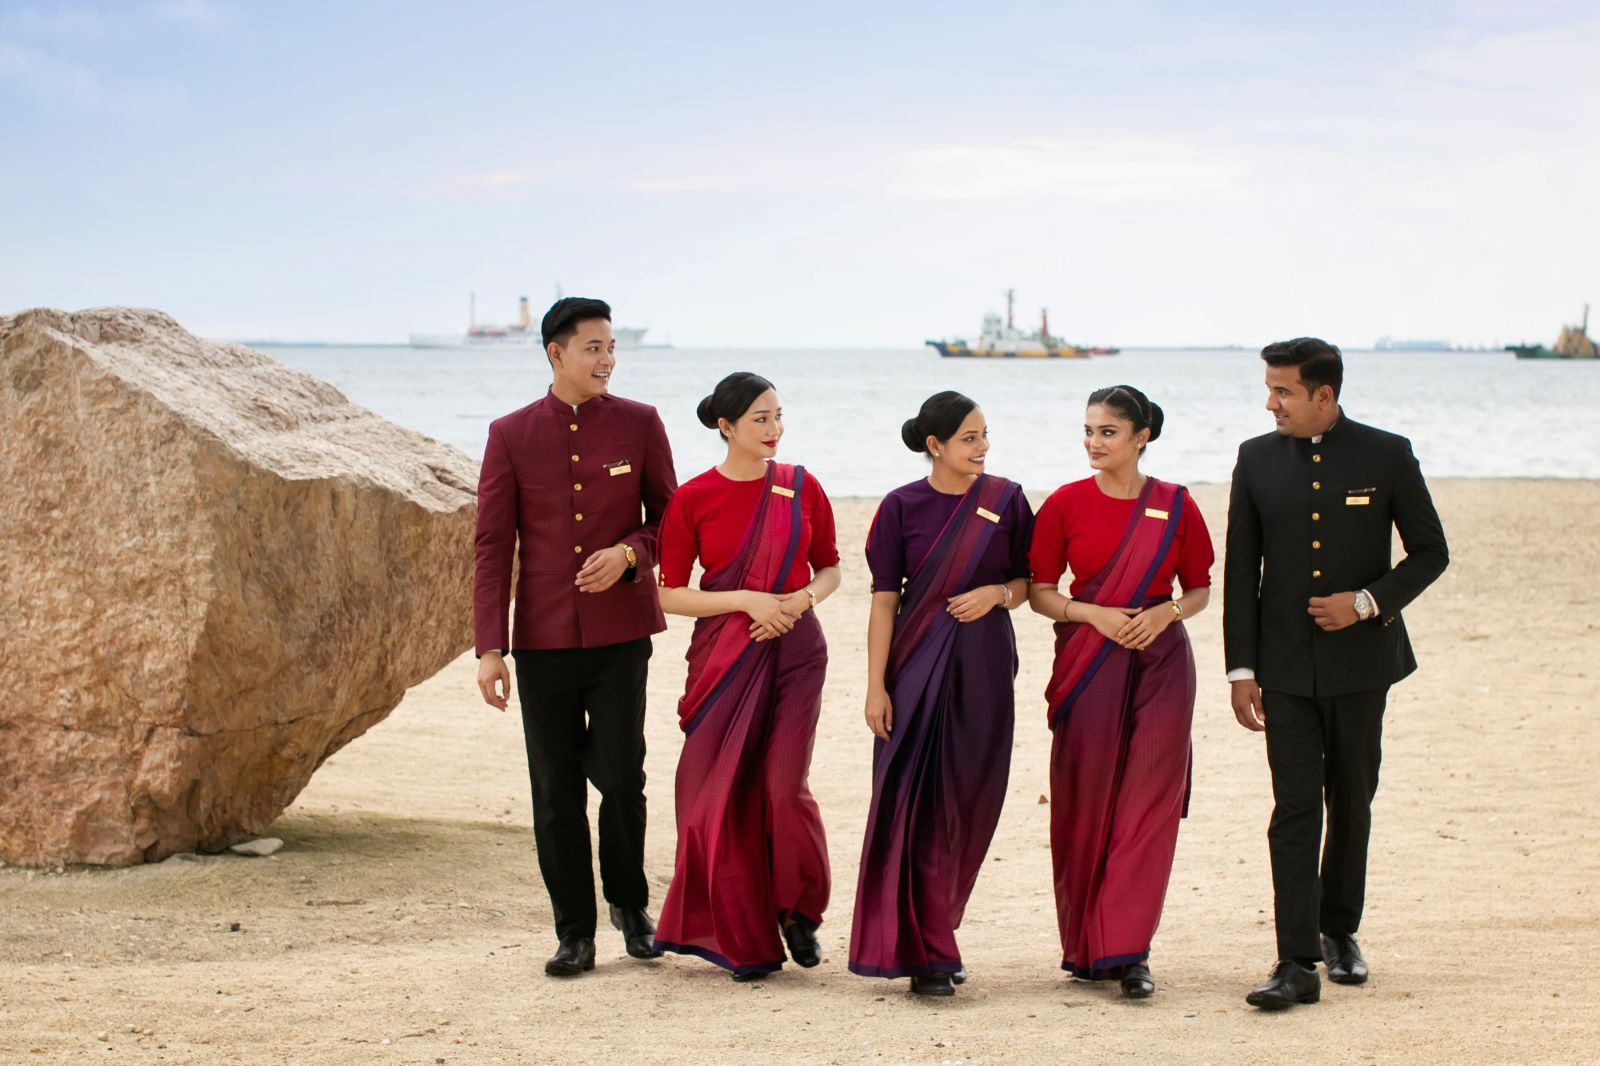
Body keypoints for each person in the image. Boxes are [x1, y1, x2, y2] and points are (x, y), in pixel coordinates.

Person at [1226, 338, 1448, 1010]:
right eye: (1269, 389)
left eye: (1284, 391)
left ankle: (1339, 931)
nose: (1271, 403)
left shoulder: (1386, 453)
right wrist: (1242, 669)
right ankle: (1295, 962)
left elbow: (1430, 551)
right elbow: (1242, 571)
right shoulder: (1256, 458)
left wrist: (1366, 603)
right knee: (1294, 808)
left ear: (1324, 395)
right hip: (1284, 667)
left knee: (1350, 800)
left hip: (1362, 664)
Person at [472, 297, 677, 977]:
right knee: (556, 788)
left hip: (622, 634)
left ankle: (630, 905)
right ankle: (574, 932)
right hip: (542, 641)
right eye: (593, 347)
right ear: (556, 354)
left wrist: (628, 557)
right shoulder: (510, 434)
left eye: (612, 347)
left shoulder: (641, 424)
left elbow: (671, 522)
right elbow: (493, 546)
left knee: (623, 779)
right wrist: (490, 648)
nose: (607, 359)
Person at [650, 372, 842, 981]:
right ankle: (744, 939)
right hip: (725, 660)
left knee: (784, 789)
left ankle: (799, 912)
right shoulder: (694, 498)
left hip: (797, 654)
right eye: (761, 418)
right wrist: (745, 602)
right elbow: (670, 595)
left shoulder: (801, 486)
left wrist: (796, 603)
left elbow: (831, 569)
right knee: (711, 799)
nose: (774, 430)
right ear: (726, 427)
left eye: (778, 416)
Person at [1026, 385, 1213, 1000]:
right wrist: (1091, 614)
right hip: (1088, 663)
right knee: (1085, 802)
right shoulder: (1064, 504)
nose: (1094, 442)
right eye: (1088, 430)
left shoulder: (1177, 504)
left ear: (1142, 437)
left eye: (1108, 431)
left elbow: (1200, 589)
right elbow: (1040, 591)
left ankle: (1130, 951)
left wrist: (1167, 616)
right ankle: (1087, 947)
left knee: (1148, 806)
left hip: (1162, 664)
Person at [848, 392, 1034, 998]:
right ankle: (931, 952)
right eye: (969, 439)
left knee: (971, 799)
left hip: (983, 667)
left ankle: (937, 927)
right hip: (914, 669)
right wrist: (875, 686)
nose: (983, 448)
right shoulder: (901, 506)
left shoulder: (1006, 499)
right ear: (935, 446)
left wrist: (996, 597)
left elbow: (1028, 581)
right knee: (918, 803)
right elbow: (883, 603)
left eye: (985, 435)